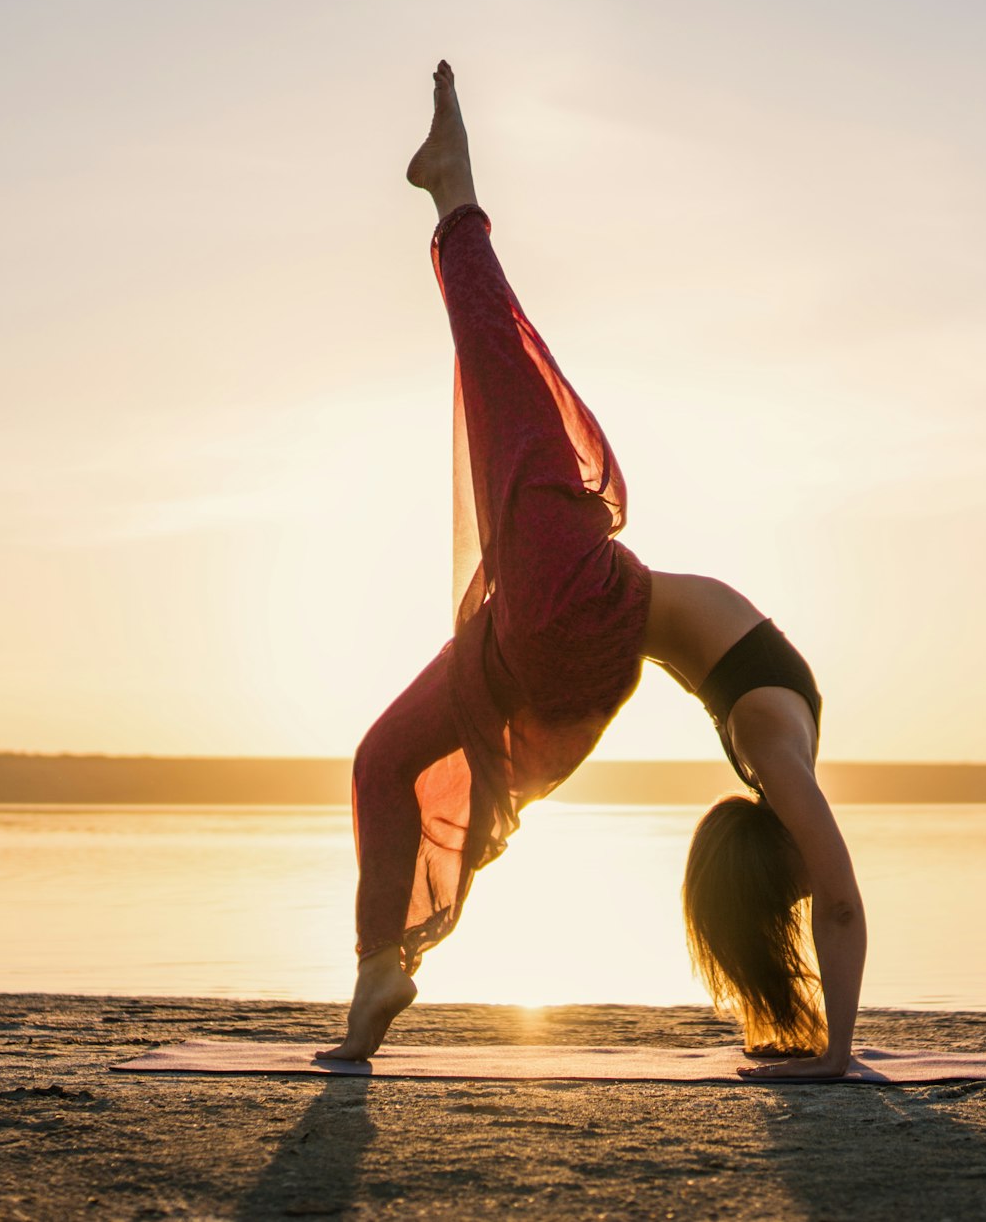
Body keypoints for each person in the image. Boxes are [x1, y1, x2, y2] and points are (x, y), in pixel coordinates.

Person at [319, 62, 865, 1080]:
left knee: (509, 391)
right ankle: (373, 973)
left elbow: (837, 894)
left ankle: (455, 187)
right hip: (570, 652)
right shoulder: (769, 753)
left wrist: (835, 1054)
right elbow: (819, 885)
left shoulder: (773, 746)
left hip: (589, 608)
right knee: (381, 760)